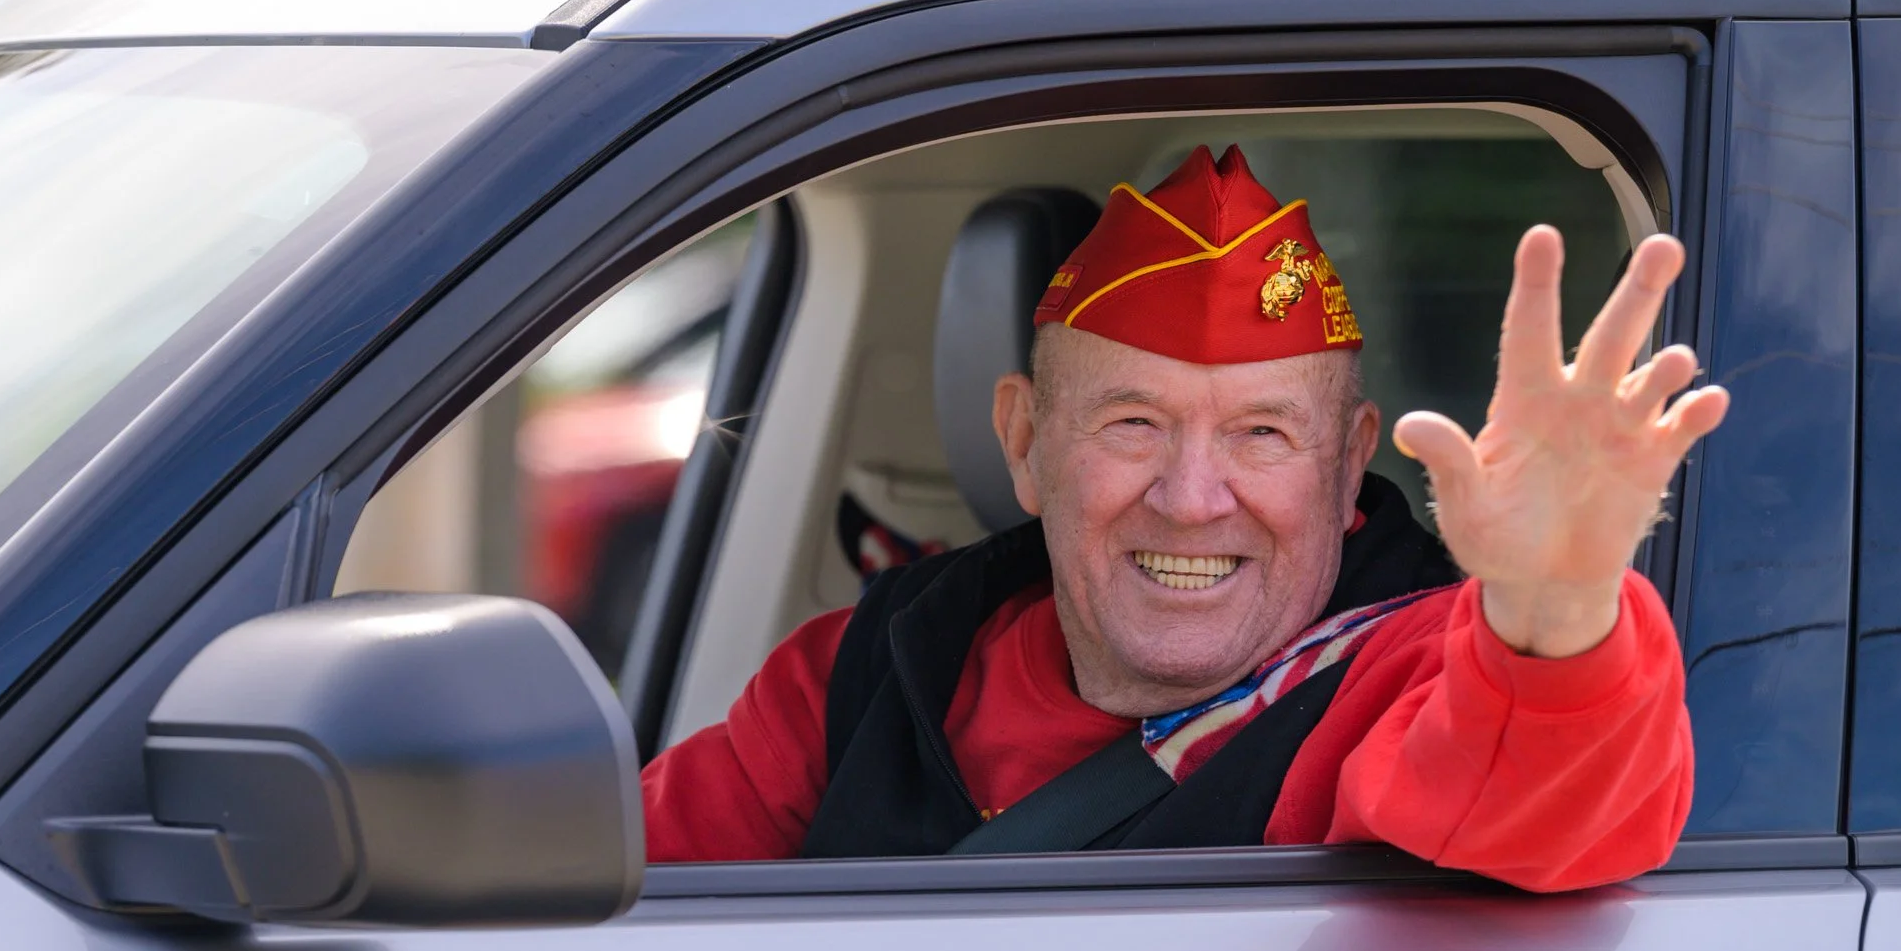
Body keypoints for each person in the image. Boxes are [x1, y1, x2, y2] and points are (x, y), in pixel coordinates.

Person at [641, 145, 1725, 891]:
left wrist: (1558, 603)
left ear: (1351, 465)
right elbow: (600, 912)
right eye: (1131, 424)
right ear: (1023, 442)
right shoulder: (866, 668)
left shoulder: (1416, 668)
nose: (1192, 499)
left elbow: (1557, 817)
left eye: (1262, 434)